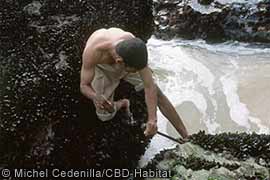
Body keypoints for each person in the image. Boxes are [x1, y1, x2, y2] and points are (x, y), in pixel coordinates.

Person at [80, 27, 188, 139]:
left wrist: (152, 119)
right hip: (103, 68)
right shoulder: (94, 51)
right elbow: (83, 85)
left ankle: (186, 136)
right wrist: (96, 96)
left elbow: (149, 86)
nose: (139, 72)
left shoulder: (134, 47)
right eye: (135, 70)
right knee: (104, 114)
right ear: (119, 62)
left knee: (158, 93)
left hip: (128, 62)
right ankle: (123, 103)